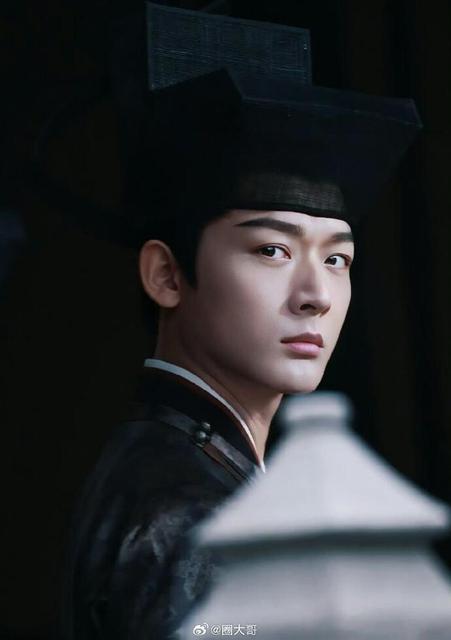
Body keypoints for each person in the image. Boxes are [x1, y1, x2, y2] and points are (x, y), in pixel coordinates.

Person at [61, 10, 421, 640]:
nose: (316, 296)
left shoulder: (178, 469)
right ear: (167, 275)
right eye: (271, 251)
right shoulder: (190, 515)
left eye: (336, 260)